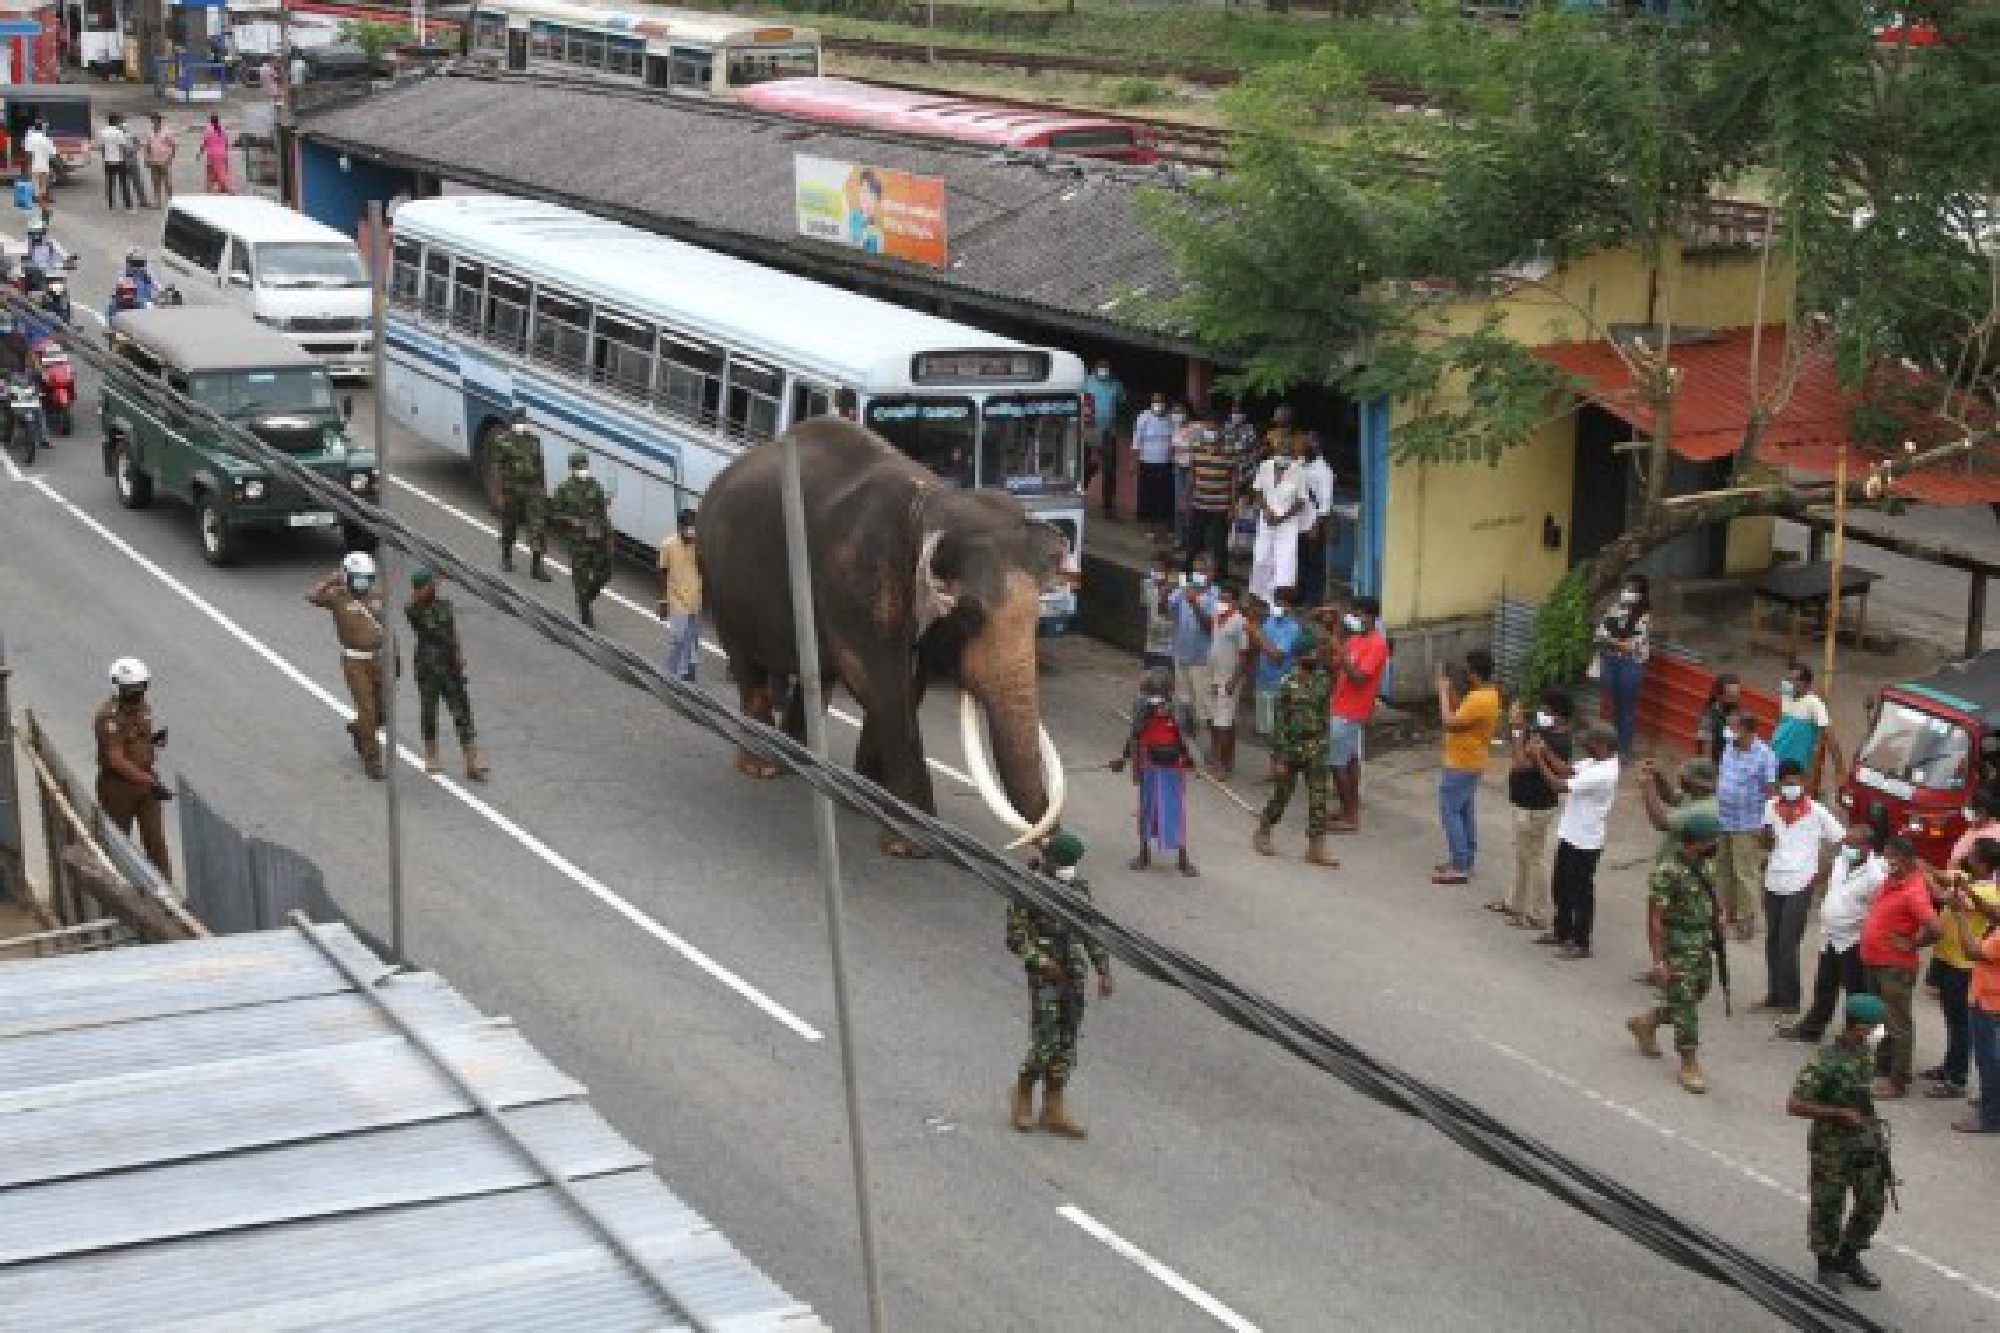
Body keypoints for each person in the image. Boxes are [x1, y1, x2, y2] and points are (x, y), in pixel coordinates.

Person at [1006, 830, 1113, 1138]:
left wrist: (1103, 970)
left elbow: (1090, 931)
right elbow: (1015, 938)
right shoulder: (1027, 887)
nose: (1069, 871)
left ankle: (1054, 1106)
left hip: (1073, 975)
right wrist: (1041, 962)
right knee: (1046, 1043)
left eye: (1073, 865)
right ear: (1049, 860)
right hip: (1045, 977)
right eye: (1064, 864)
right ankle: (1023, 1092)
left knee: (1067, 1044)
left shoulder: (1078, 888)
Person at [1789, 994, 1893, 1293]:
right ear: (1857, 1027)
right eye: (1875, 1027)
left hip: (1864, 1140)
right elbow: (1794, 1104)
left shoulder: (1866, 1051)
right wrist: (1837, 1113)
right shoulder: (1825, 1060)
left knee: (1873, 1201)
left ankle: (1849, 1256)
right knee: (1828, 1204)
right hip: (1831, 1145)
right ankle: (1825, 1262)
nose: (1880, 1033)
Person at [1627, 812, 1724, 1094]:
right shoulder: (1667, 871)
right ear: (1695, 843)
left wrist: (1718, 911)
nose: (1715, 844)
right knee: (1686, 1004)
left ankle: (1646, 1022)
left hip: (1701, 941)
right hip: (1676, 943)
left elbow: (1711, 891)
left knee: (1697, 993)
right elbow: (1654, 918)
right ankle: (1689, 1063)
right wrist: (1658, 961)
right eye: (1711, 840)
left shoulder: (1707, 864)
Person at [1778, 824, 1888, 1043]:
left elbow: (1879, 911)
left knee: (1855, 992)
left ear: (1867, 847)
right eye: (1845, 842)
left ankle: (1854, 1036)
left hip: (1853, 941)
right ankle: (1812, 1029)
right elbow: (1829, 875)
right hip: (1830, 937)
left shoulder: (1876, 876)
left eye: (1852, 843)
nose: (1846, 846)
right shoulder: (1841, 860)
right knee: (1824, 986)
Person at [1757, 760, 1845, 1014]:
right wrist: (1764, 838)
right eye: (1786, 783)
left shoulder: (1817, 812)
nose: (1791, 787)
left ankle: (1791, 1000)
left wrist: (1824, 873)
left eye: (1795, 782)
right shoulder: (1770, 807)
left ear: (1804, 783)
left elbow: (1842, 841)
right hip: (1774, 880)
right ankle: (1775, 993)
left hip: (1801, 883)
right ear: (1779, 784)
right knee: (1773, 940)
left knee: (1788, 942)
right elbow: (1764, 842)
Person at [1857, 835, 1940, 1098]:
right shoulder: (1893, 881)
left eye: (1890, 857)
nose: (1885, 861)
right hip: (1875, 960)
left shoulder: (1914, 890)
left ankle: (1898, 1080)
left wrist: (1913, 944)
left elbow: (1935, 927)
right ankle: (1883, 1068)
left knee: (1897, 1023)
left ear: (1902, 859)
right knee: (1879, 1019)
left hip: (1894, 966)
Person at [1253, 627, 1338, 868]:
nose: (1316, 656)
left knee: (1318, 799)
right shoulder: (1286, 684)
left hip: (1317, 746)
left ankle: (1316, 847)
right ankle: (1264, 831)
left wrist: (1324, 744)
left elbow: (1324, 715)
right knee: (1282, 795)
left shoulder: (1323, 679)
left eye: (1317, 652)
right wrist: (1279, 758)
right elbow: (1279, 724)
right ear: (1300, 657)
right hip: (1291, 748)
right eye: (1311, 653)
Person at [1923, 838, 1999, 1101]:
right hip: (1945, 956)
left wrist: (1959, 889)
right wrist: (1927, 869)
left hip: (1963, 964)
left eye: (1974, 855)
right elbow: (1944, 881)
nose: (1968, 856)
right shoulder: (1963, 877)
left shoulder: (1991, 892)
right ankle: (1948, 1066)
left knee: (1959, 1023)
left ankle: (1957, 1078)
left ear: (1985, 864)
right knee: (1950, 1018)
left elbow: (1948, 897)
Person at [1535, 726, 1621, 960]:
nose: (1586, 746)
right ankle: (1561, 931)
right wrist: (1544, 751)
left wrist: (1538, 760)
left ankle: (1581, 942)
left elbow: (1558, 784)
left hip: (1586, 840)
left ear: (1603, 746)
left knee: (1580, 893)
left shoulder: (1603, 772)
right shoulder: (1594, 762)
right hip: (1572, 833)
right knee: (1560, 885)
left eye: (1590, 743)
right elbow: (1566, 769)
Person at [307, 553, 388, 780]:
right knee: (368, 710)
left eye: (367, 579)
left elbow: (388, 630)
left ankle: (359, 728)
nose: (363, 584)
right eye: (358, 579)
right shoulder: (337, 597)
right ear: (347, 577)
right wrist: (329, 581)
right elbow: (311, 596)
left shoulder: (378, 597)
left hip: (379, 659)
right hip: (355, 662)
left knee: (383, 711)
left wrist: (396, 659)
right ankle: (372, 758)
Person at [1497, 690, 1572, 929]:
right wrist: (1518, 730)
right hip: (1526, 804)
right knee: (1522, 856)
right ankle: (1514, 903)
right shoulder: (1545, 733)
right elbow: (1519, 748)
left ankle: (1537, 913)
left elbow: (1520, 764)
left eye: (1546, 710)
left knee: (1534, 858)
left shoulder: (1555, 741)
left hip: (1534, 808)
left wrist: (1518, 730)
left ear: (1556, 715)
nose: (1541, 713)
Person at [94, 657, 173, 883]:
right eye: (131, 689)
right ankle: (118, 892)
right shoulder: (108, 717)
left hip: (146, 784)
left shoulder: (143, 708)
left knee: (156, 843)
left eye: (141, 687)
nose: (137, 694)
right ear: (118, 687)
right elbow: (116, 760)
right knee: (119, 845)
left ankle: (166, 895)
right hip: (118, 788)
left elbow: (140, 738)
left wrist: (153, 742)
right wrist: (149, 782)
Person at [1111, 672, 1197, 876]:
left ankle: (1182, 858)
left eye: (1159, 699)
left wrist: (1191, 759)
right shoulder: (1142, 706)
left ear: (1169, 693)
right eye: (1151, 698)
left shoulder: (1182, 707)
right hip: (1148, 762)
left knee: (1176, 809)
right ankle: (1144, 853)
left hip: (1174, 764)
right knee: (1147, 807)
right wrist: (1123, 759)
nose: (1155, 706)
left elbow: (1189, 737)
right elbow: (1134, 734)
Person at [405, 568, 488, 781]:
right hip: (428, 666)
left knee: (461, 709)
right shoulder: (413, 609)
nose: (432, 588)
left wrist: (459, 656)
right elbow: (413, 603)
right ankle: (431, 754)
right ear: (419, 589)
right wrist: (430, 583)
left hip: (449, 665)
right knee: (429, 711)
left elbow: (452, 632)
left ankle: (472, 759)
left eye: (432, 585)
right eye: (427, 586)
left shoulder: (445, 606)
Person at [1432, 650, 1500, 886]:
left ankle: (1460, 865)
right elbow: (1460, 712)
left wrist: (1441, 692)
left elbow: (1449, 721)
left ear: (1473, 672)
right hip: (1470, 761)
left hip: (1462, 763)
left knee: (1450, 812)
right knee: (1463, 812)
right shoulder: (1485, 695)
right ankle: (1464, 859)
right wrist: (1449, 689)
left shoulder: (1480, 699)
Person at [1946, 839, 2000, 1134]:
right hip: (1989, 998)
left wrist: (1961, 915)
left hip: (1990, 1002)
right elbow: (1994, 913)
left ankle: (1990, 1117)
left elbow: (1973, 952)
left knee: (1990, 1062)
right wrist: (1970, 896)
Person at [1715, 707, 1778, 940]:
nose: (1729, 731)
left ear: (1747, 731)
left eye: (1733, 728)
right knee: (1723, 868)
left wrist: (1768, 826)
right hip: (1724, 819)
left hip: (1748, 823)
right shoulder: (1729, 748)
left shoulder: (1765, 756)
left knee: (1745, 872)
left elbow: (1771, 792)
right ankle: (1725, 913)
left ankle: (1746, 918)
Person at [1326, 596, 1387, 832]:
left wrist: (1340, 652)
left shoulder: (1376, 644)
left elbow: (1359, 678)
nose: (1356, 619)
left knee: (1337, 765)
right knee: (1349, 762)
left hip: (1350, 711)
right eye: (1354, 614)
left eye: (1359, 614)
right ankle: (1349, 809)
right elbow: (1338, 667)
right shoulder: (1354, 640)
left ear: (1372, 617)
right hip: (1341, 706)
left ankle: (1349, 817)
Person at [551, 450, 614, 627]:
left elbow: (603, 513)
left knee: (605, 574)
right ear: (572, 469)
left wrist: (609, 536)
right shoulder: (564, 489)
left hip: (596, 537)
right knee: (581, 579)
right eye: (579, 467)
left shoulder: (595, 486)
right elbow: (554, 514)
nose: (583, 470)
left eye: (585, 466)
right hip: (578, 542)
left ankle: (586, 598)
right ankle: (586, 615)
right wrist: (570, 520)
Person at [1593, 573, 1652, 759]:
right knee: (1609, 704)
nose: (1628, 592)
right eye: (1627, 588)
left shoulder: (1645, 616)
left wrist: (1612, 639)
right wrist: (1617, 641)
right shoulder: (1615, 608)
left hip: (1631, 664)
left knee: (1625, 709)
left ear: (1641, 593)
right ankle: (1607, 746)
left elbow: (1632, 646)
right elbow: (1599, 633)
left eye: (1633, 589)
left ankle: (1623, 750)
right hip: (1610, 661)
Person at [1248, 438, 1307, 606]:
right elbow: (1258, 490)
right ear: (1276, 452)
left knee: (1284, 562)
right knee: (1261, 557)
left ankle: (1277, 601)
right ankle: (1258, 595)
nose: (1285, 455)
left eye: (1288, 453)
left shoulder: (1298, 471)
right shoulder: (1265, 466)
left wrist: (1281, 518)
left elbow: (1301, 501)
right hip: (1266, 520)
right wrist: (1266, 511)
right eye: (1282, 452)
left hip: (1287, 524)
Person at [495, 407, 552, 581]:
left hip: (532, 490)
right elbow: (498, 468)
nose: (521, 425)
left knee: (538, 527)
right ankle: (506, 558)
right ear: (512, 423)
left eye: (523, 421)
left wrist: (542, 490)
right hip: (512, 490)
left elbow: (540, 466)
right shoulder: (503, 441)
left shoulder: (534, 441)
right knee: (509, 525)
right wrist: (500, 494)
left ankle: (536, 567)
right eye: (518, 422)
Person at [1245, 587, 1300, 767]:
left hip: (1280, 685)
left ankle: (1283, 770)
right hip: (1264, 682)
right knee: (1268, 731)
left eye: (1279, 602)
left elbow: (1277, 657)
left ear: (1288, 605)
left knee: (1280, 732)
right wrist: (1252, 633)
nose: (1275, 605)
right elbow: (1258, 646)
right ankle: (1274, 768)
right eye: (1274, 601)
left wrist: (1256, 633)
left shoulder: (1292, 627)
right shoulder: (1270, 621)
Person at [1168, 554, 1217, 743]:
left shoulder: (1216, 597)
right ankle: (1185, 745)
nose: (1197, 574)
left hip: (1202, 661)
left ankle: (1206, 749)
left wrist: (1195, 604)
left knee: (1203, 710)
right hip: (1181, 656)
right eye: (1195, 570)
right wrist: (1166, 590)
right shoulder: (1184, 590)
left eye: (1202, 571)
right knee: (1183, 704)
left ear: (1211, 574)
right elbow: (1166, 610)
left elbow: (1210, 628)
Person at [1184, 417, 1238, 580]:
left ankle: (1221, 577)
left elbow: (1234, 479)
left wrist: (1232, 505)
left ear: (1220, 430)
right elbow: (1192, 474)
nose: (1210, 432)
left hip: (1221, 505)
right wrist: (1187, 497)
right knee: (1194, 539)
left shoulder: (1229, 450)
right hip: (1199, 503)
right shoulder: (1196, 448)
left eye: (1213, 429)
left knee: (1219, 543)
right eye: (1208, 428)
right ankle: (1188, 573)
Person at [1205, 581, 1250, 779]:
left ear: (1235, 601)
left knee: (1223, 722)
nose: (1222, 601)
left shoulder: (1240, 622)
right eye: (1220, 598)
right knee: (1217, 720)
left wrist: (1234, 680)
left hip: (1229, 677)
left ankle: (1220, 764)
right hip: (1214, 676)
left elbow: (1244, 655)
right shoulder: (1216, 617)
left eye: (1226, 599)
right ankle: (1225, 759)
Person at [657, 508, 702, 683]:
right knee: (679, 637)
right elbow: (661, 571)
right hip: (676, 598)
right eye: (688, 527)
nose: (691, 531)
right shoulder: (668, 544)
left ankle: (689, 670)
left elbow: (704, 570)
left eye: (694, 527)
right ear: (680, 526)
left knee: (693, 637)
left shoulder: (699, 544)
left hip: (695, 597)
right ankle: (669, 672)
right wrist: (662, 600)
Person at [1773, 663, 1839, 783]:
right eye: (1788, 679)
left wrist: (1839, 769)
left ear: (1806, 684)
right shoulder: (1786, 694)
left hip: (1797, 764)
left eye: (1794, 680)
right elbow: (1782, 721)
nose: (1789, 683)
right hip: (1776, 755)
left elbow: (1829, 735)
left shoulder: (1814, 703)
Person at [1294, 430, 1334, 607]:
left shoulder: (1323, 471)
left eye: (1307, 442)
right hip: (1298, 522)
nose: (1302, 445)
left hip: (1312, 524)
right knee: (1300, 560)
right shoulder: (1301, 464)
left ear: (1316, 446)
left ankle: (1313, 600)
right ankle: (1300, 595)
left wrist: (1316, 527)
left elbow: (1325, 503)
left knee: (1314, 564)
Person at [1082, 360, 1125, 517]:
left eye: (1106, 369)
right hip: (1090, 429)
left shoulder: (1116, 385)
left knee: (1109, 469)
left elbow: (1122, 402)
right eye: (1101, 369)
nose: (1103, 371)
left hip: (1108, 432)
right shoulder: (1086, 382)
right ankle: (1080, 496)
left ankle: (1108, 506)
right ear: (1095, 369)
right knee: (1085, 465)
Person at [1131, 393, 1176, 529]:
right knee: (1148, 494)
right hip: (1147, 461)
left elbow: (1175, 440)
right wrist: (1134, 463)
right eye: (1155, 401)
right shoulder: (1143, 417)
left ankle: (1165, 524)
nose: (1158, 404)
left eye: (1160, 401)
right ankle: (1149, 525)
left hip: (1166, 462)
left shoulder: (1170, 418)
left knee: (1164, 494)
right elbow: (1136, 441)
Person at [1169, 401, 1201, 542]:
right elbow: (1174, 448)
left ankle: (1190, 538)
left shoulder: (1197, 427)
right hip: (1179, 468)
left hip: (1192, 469)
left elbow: (1200, 448)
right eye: (1175, 411)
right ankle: (1179, 537)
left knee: (1188, 503)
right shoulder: (1175, 427)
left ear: (1187, 412)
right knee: (1178, 504)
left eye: (1180, 411)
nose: (1177, 414)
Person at [1140, 552, 1176, 674]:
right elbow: (1145, 606)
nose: (1155, 573)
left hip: (1169, 646)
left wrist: (1165, 593)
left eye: (1159, 570)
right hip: (1151, 642)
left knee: (1165, 682)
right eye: (1154, 569)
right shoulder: (1146, 583)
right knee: (1148, 680)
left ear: (1169, 571)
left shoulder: (1178, 589)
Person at [1694, 672, 1742, 763]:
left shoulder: (1735, 712)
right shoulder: (1708, 717)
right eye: (1731, 696)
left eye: (1737, 695)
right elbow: (1705, 753)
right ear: (1718, 695)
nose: (1735, 700)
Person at [98, 112, 137, 211]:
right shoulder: (118, 132)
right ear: (115, 121)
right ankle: (128, 205)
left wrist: (105, 158)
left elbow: (102, 147)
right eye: (119, 120)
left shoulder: (103, 132)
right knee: (123, 183)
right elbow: (123, 146)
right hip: (119, 160)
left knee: (110, 183)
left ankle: (111, 204)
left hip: (108, 160)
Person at [144, 112, 176, 207]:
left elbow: (173, 145)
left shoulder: (167, 131)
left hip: (164, 159)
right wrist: (146, 158)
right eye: (152, 119)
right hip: (153, 160)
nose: (153, 121)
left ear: (159, 120)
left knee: (167, 182)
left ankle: (171, 201)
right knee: (155, 181)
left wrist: (170, 158)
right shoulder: (149, 131)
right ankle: (158, 202)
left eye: (155, 119)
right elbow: (148, 146)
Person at [22, 119, 54, 208]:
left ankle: (40, 204)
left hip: (34, 166)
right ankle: (43, 204)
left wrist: (28, 166)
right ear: (42, 128)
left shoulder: (30, 139)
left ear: (34, 128)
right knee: (44, 186)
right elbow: (53, 154)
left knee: (35, 185)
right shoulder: (47, 139)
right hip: (45, 167)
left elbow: (29, 154)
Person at [197, 114, 232, 194]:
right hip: (222, 154)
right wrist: (226, 153)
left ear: (211, 121)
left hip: (212, 155)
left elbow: (204, 143)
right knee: (222, 171)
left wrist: (199, 153)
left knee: (210, 172)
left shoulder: (208, 130)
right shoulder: (222, 129)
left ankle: (209, 190)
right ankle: (223, 188)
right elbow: (226, 143)